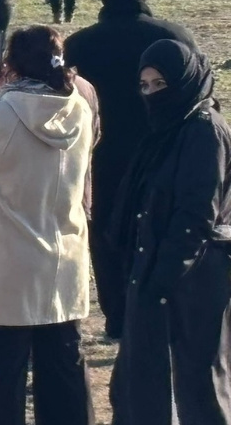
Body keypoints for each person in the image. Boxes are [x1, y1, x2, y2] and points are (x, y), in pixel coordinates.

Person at [0, 26, 97, 425]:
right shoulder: (80, 107)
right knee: (64, 368)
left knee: (1, 375)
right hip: (65, 255)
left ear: (12, 64)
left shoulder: (4, 111)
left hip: (8, 262)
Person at [63, 0, 197, 340]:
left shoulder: (79, 44)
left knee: (106, 234)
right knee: (165, 231)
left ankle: (118, 317)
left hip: (102, 157)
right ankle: (162, 313)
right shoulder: (173, 36)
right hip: (166, 153)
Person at [111, 39, 231, 424]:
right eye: (144, 85)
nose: (151, 94)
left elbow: (196, 213)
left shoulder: (203, 131)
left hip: (195, 277)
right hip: (160, 272)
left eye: (160, 84)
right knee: (140, 384)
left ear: (185, 80)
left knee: (199, 388)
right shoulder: (171, 130)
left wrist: (163, 277)